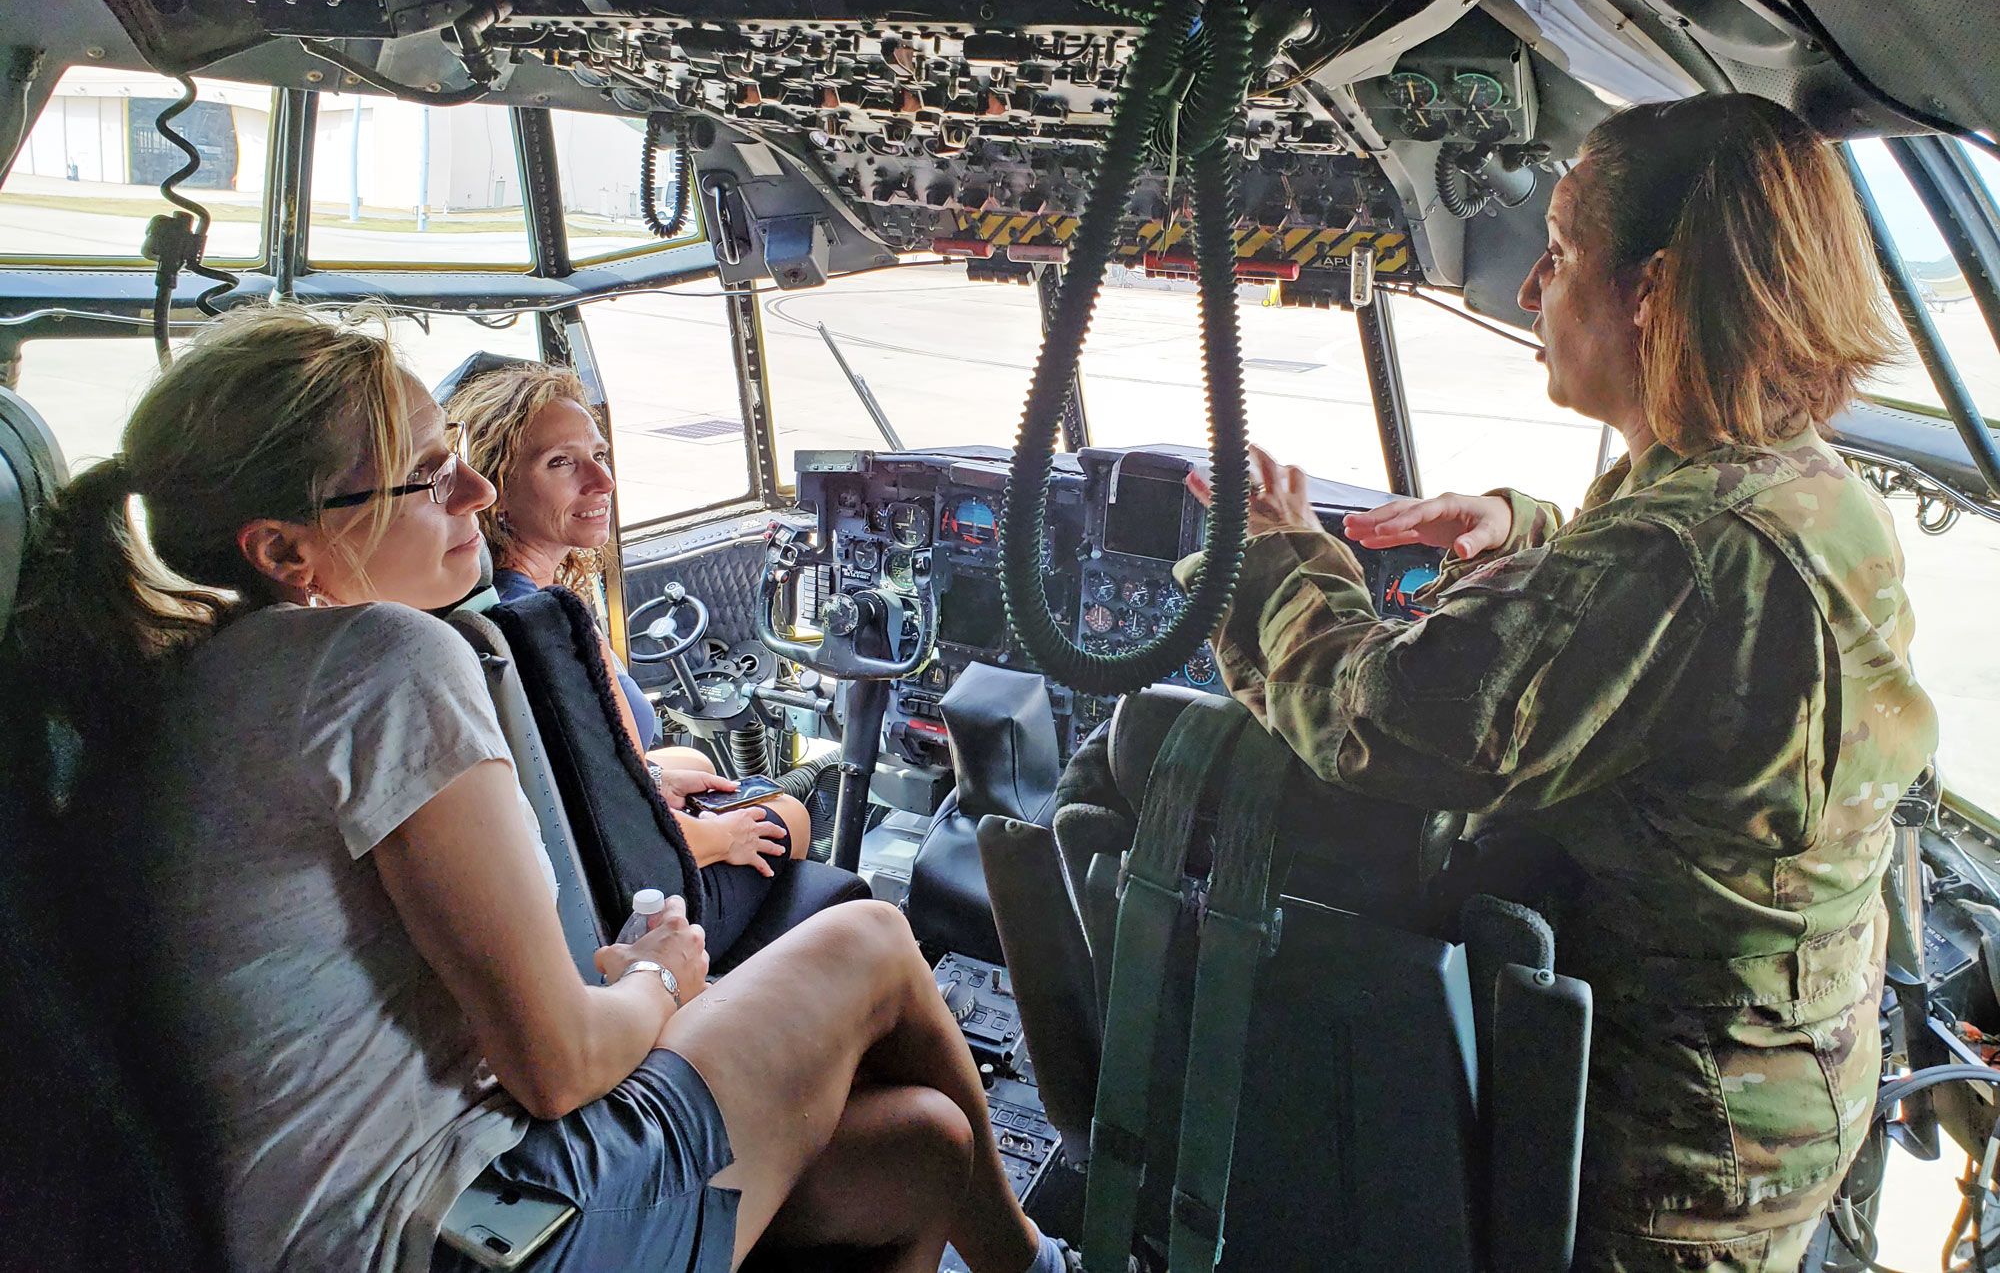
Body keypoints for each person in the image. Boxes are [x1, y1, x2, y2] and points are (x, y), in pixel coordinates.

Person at [11, 304, 1062, 1273]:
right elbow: (557, 1065)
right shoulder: (380, 659)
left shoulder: (189, 682)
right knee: (869, 939)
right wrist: (655, 981)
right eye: (429, 479)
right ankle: (1040, 1266)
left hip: (402, 1224)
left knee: (921, 1148)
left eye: (461, 461)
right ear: (287, 550)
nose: (474, 495)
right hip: (452, 1235)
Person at [1184, 94, 1936, 1272]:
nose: (1532, 290)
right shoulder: (1790, 483)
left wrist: (1278, 556)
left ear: (1654, 289)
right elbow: (1672, 618)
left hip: (1676, 1152)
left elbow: (1374, 723)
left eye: (1561, 251)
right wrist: (1520, 528)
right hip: (1783, 1077)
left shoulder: (1684, 554)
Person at [445, 362, 807, 954]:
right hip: (631, 900)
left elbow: (567, 773)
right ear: (494, 491)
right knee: (789, 811)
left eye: (598, 454)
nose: (602, 480)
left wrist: (650, 775)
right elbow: (607, 830)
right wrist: (723, 838)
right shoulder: (546, 631)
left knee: (685, 751)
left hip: (591, 843)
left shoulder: (495, 603)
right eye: (561, 463)